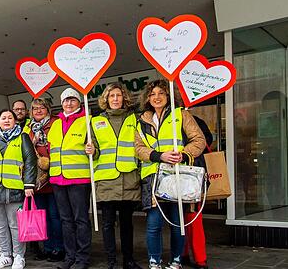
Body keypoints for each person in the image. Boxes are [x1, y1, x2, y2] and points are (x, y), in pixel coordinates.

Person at [135, 80, 205, 269]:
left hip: (177, 176)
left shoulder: (181, 114)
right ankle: (154, 261)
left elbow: (199, 140)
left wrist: (183, 154)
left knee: (177, 223)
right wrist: (159, 156)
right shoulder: (142, 120)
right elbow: (138, 149)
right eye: (153, 94)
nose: (157, 97)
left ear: (169, 96)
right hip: (152, 176)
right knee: (154, 224)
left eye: (161, 93)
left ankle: (176, 261)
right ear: (148, 98)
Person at [88, 83, 142, 269]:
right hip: (106, 179)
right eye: (111, 96)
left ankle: (129, 259)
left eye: (118, 95)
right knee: (108, 224)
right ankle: (111, 260)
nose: (115, 99)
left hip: (129, 179)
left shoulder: (134, 119)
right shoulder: (95, 122)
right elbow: (94, 152)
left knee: (127, 224)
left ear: (124, 97)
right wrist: (92, 150)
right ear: (106, 99)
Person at [48, 88, 98, 269]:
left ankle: (82, 258)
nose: (69, 104)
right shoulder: (55, 124)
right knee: (65, 220)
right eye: (65, 101)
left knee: (81, 220)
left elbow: (98, 149)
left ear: (79, 102)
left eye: (72, 100)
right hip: (58, 179)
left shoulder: (88, 121)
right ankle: (70, 257)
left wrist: (94, 151)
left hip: (79, 179)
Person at [0, 109, 37, 269]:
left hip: (15, 188)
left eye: (9, 118)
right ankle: (5, 255)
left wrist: (29, 184)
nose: (6, 120)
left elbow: (30, 161)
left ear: (15, 121)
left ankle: (19, 256)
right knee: (0, 224)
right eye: (3, 118)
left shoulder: (22, 137)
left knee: (15, 225)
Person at [26, 97, 64, 262]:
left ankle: (59, 248)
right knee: (42, 216)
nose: (38, 111)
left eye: (42, 108)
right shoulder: (28, 128)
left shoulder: (56, 123)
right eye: (35, 108)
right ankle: (48, 248)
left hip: (54, 177)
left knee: (56, 216)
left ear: (48, 109)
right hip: (37, 181)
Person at [181, 115, 214, 269]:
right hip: (189, 174)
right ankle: (188, 255)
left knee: (191, 218)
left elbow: (204, 141)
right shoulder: (197, 120)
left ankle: (197, 257)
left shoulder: (192, 119)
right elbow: (209, 139)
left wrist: (182, 152)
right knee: (186, 218)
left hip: (191, 175)